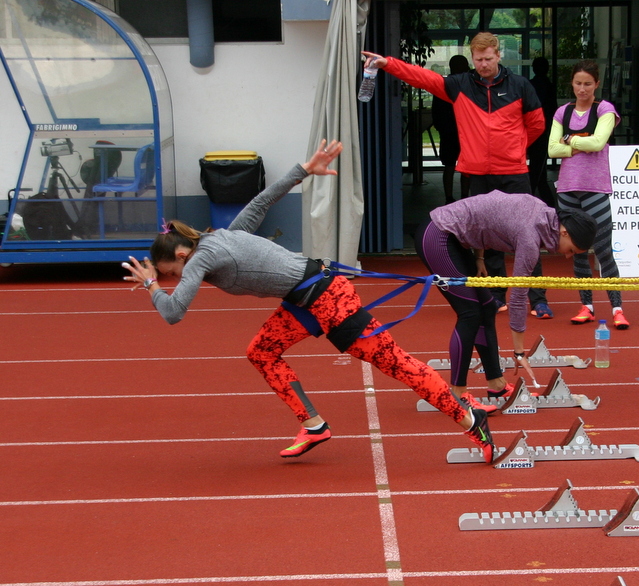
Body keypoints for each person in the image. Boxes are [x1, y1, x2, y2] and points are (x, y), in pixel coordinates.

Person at [122, 140, 497, 462]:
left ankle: (468, 419)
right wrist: (304, 168)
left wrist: (154, 286)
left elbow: (173, 313)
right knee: (262, 351)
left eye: (173, 273)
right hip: (303, 299)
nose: (178, 280)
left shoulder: (202, 256)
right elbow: (262, 202)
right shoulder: (221, 237)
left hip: (329, 298)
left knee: (397, 364)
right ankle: (313, 425)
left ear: (183, 256)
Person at [362, 33, 553, 319]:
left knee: (531, 235)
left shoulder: (520, 86)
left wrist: (514, 148)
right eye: (479, 60)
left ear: (499, 55)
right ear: (472, 58)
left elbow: (537, 124)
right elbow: (421, 77)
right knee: (488, 239)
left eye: (489, 58)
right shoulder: (459, 85)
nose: (484, 65)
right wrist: (387, 63)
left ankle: (537, 298)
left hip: (513, 172)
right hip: (478, 174)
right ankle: (496, 295)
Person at [414, 192, 596, 409]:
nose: (568, 256)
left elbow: (485, 216)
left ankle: (496, 383)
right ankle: (457, 394)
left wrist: (479, 257)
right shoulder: (530, 237)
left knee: (487, 307)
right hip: (438, 235)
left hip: (455, 240)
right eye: (572, 250)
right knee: (470, 313)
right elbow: (518, 297)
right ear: (564, 232)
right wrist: (519, 352)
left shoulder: (541, 212)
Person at [548, 59, 629, 330]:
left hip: (595, 189)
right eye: (578, 83)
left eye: (587, 84)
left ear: (596, 84)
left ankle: (617, 308)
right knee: (578, 252)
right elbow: (551, 150)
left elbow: (598, 142)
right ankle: (586, 306)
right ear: (571, 84)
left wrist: (569, 140)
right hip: (567, 190)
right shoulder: (563, 112)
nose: (582, 89)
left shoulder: (605, 109)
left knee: (604, 250)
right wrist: (581, 144)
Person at [431, 55, 470, 204]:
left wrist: (441, 127)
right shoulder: (469, 84)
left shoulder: (443, 84)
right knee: (466, 167)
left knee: (449, 165)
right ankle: (465, 196)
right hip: (465, 131)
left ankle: (449, 197)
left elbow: (437, 110)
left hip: (448, 131)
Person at [528, 56, 557, 207]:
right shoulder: (549, 86)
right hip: (545, 131)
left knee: (536, 171)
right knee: (538, 170)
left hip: (534, 131)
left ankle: (532, 202)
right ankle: (549, 204)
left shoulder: (532, 85)